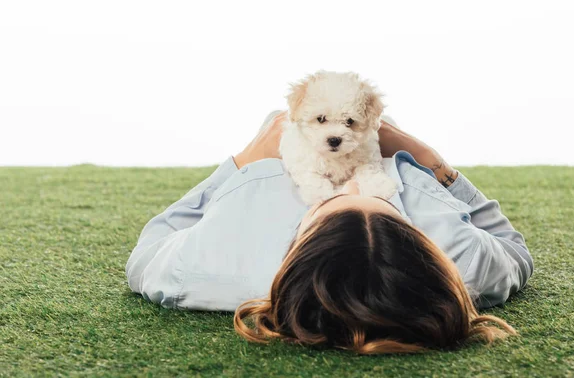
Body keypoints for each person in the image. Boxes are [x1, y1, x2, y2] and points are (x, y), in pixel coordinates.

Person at [125, 110, 533, 354]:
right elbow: (515, 250)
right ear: (420, 237)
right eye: (387, 205)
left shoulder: (214, 265)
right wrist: (429, 160)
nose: (350, 184)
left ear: (297, 242)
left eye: (327, 206)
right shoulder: (466, 265)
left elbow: (148, 252)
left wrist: (245, 159)